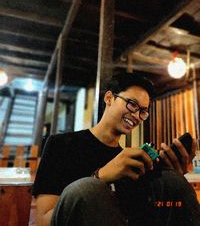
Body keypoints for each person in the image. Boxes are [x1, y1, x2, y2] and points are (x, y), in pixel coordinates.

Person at [32, 72, 200, 226]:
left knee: (172, 182)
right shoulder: (61, 145)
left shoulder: (131, 162)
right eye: (132, 104)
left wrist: (169, 180)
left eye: (143, 111)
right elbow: (43, 221)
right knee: (87, 189)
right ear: (109, 98)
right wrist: (101, 176)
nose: (136, 116)